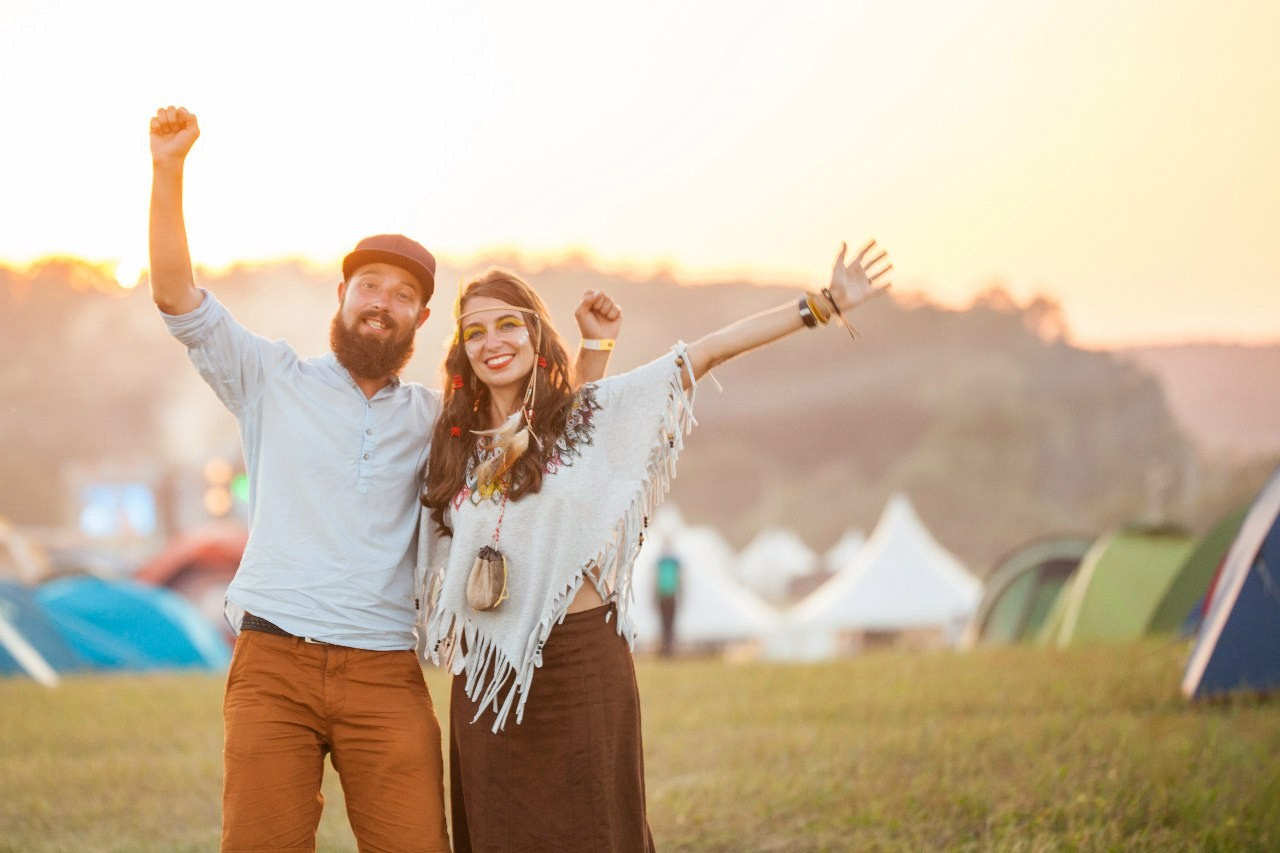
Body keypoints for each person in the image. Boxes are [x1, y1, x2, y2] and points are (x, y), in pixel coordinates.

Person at [147, 105, 621, 852]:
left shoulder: (439, 421)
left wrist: (594, 350)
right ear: (341, 296)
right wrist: (169, 169)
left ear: (422, 318)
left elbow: (548, 441)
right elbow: (177, 296)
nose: (382, 302)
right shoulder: (271, 379)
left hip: (384, 670)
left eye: (402, 296)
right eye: (368, 284)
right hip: (274, 662)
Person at [420, 243, 891, 852]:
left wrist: (822, 304)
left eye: (508, 323)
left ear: (536, 334)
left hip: (581, 663)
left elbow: (706, 352)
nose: (493, 341)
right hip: (487, 677)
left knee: (597, 830)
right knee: (500, 833)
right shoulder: (454, 443)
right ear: (463, 352)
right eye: (475, 331)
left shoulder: (586, 415)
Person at [654, 549, 682, 657]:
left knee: (667, 624)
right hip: (667, 596)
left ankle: (668, 648)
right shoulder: (672, 563)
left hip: (667, 596)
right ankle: (666, 648)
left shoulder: (663, 563)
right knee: (667, 624)